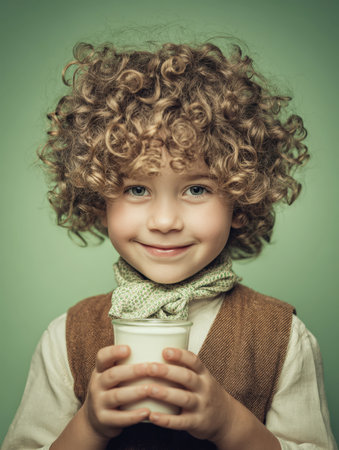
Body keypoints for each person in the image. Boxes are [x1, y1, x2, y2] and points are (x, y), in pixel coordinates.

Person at [2, 40, 337, 450]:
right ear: (98, 198)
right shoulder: (66, 337)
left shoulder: (283, 338)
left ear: (240, 199)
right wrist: (87, 425)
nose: (164, 221)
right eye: (137, 188)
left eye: (196, 188)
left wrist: (232, 425)